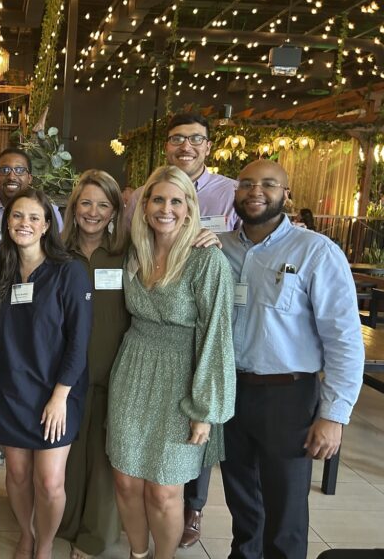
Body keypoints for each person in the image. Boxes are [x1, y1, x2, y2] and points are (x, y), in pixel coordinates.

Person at [219, 160, 364, 559]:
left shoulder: (316, 251)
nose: (255, 192)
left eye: (268, 184)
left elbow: (345, 340)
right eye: (246, 184)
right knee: (242, 502)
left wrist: (334, 415)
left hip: (289, 395)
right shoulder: (220, 247)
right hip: (231, 392)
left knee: (285, 512)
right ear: (235, 193)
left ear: (287, 194)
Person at [107, 165, 236, 559]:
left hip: (183, 378)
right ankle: (137, 552)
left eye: (176, 201)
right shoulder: (135, 252)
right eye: (158, 199)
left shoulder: (206, 260)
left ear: (189, 207)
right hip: (132, 370)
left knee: (164, 489)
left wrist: (204, 411)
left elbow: (217, 337)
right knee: (127, 481)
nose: (166, 208)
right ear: (144, 206)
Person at [0, 187, 93, 559]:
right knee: (16, 475)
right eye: (17, 216)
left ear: (48, 224)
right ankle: (26, 534)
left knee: (49, 481)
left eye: (34, 217)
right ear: (7, 222)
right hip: (11, 390)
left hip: (56, 394)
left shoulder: (69, 272)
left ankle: (45, 544)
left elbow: (79, 342)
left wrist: (60, 396)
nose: (25, 224)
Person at [0, 147, 64, 523]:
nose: (11, 175)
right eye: (4, 168)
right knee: (5, 453)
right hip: (1, 360)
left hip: (44, 373)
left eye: (19, 170)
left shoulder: (59, 269)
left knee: (45, 475)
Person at [57, 170, 130, 559]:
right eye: (85, 202)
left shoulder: (128, 252)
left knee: (104, 460)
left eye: (103, 204)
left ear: (115, 210)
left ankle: (95, 535)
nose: (93, 211)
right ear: (73, 207)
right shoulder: (56, 252)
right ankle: (63, 523)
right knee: (66, 454)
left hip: (111, 374)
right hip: (64, 380)